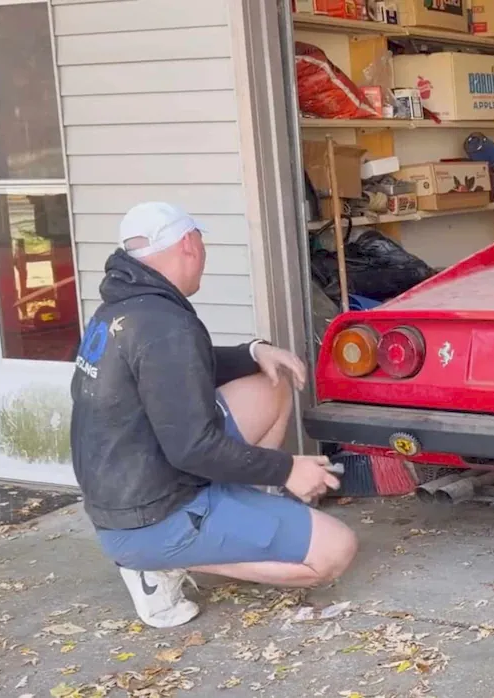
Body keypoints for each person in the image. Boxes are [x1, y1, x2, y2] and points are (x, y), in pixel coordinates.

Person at [70, 202, 358, 628]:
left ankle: (240, 512)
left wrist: (254, 352)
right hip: (155, 513)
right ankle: (160, 566)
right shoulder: (165, 325)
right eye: (201, 243)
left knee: (270, 382)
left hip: (133, 484)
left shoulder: (124, 307)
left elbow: (180, 369)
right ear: (188, 244)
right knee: (336, 551)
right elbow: (193, 447)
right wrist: (287, 469)